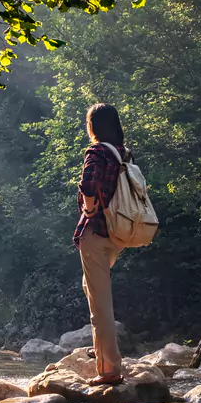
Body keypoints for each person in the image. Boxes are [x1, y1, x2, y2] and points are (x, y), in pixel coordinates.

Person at [73, 103, 127, 386]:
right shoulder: (122, 154)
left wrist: (91, 209)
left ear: (92, 126)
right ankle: (103, 352)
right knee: (91, 288)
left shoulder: (96, 151)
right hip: (117, 233)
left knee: (100, 305)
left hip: (95, 232)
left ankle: (108, 371)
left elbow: (88, 182)